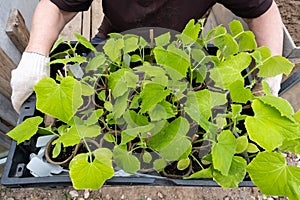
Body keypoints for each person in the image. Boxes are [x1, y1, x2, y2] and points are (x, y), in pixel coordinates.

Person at [10, 0, 284, 113]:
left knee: (178, 109)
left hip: (179, 50)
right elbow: (58, 6)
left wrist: (269, 73)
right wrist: (35, 55)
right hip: (114, 41)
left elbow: (262, 11)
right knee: (98, 105)